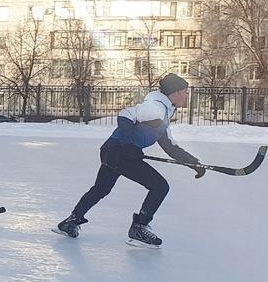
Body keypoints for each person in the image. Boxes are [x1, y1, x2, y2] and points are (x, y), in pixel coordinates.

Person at [54, 73, 201, 249]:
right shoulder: (156, 107)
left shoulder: (163, 114)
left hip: (112, 151)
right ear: (175, 93)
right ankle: (139, 228)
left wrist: (193, 162)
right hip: (121, 152)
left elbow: (169, 146)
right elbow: (125, 115)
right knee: (160, 187)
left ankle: (71, 221)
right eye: (185, 92)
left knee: (101, 189)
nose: (186, 96)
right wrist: (128, 145)